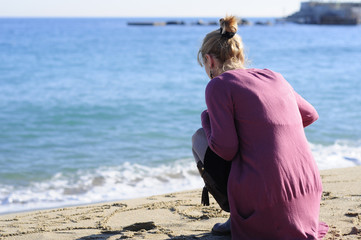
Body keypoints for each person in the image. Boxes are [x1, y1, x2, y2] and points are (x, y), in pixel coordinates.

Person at [192, 15, 329, 239]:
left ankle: (236, 215)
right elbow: (310, 114)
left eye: (205, 66)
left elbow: (225, 148)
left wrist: (206, 120)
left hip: (265, 200)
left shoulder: (218, 85)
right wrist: (266, 130)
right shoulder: (273, 76)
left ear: (210, 61)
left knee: (199, 138)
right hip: (308, 190)